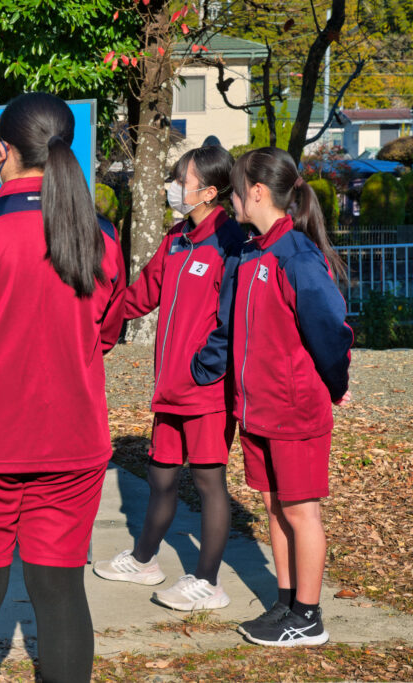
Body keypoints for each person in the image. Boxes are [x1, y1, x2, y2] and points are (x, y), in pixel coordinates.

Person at [0, 92, 125, 683]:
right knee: (60, 592)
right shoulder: (101, 236)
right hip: (71, 442)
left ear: (3, 151)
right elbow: (106, 331)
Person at [93, 146, 244, 611]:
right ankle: (144, 560)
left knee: (208, 482)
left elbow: (232, 318)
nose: (173, 186)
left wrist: (206, 368)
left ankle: (208, 582)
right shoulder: (177, 238)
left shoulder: (230, 242)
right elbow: (141, 294)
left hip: (205, 392)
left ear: (210, 191)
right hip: (169, 390)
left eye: (183, 179)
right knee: (160, 477)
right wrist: (95, 324)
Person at [228, 147, 352, 647]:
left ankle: (309, 616)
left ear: (256, 192)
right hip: (257, 408)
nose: (232, 200)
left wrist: (335, 384)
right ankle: (286, 602)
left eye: (236, 190)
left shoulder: (295, 255)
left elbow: (330, 329)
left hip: (294, 408)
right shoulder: (253, 250)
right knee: (274, 506)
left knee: (301, 512)